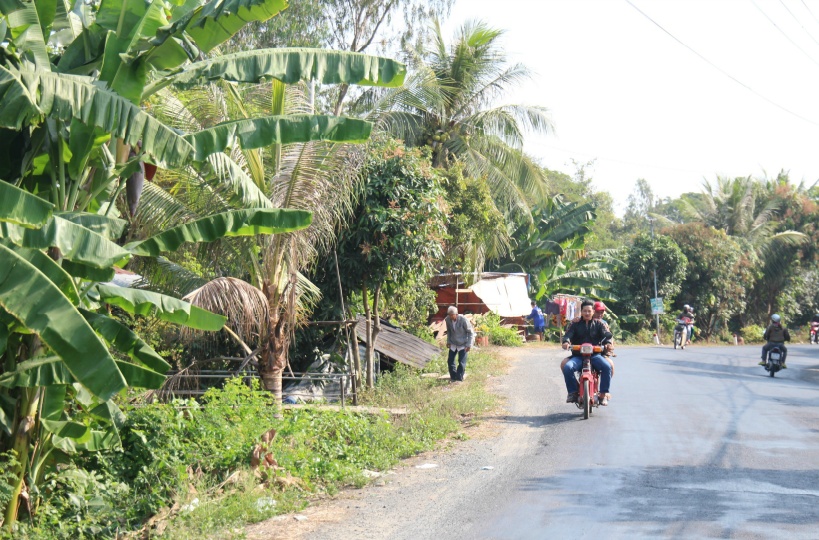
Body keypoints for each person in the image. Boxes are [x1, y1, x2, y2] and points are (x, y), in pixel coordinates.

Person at [561, 300, 614, 405]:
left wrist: (608, 343)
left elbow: (606, 334)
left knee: (607, 367)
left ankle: (603, 394)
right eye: (585, 311)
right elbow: (568, 335)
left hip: (595, 356)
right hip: (578, 356)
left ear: (593, 312)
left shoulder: (599, 324)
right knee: (567, 367)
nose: (587, 313)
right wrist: (566, 341)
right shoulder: (575, 324)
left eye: (589, 311)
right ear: (581, 312)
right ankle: (572, 392)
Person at [445, 306, 475, 382]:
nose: (451, 316)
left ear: (456, 314)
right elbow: (449, 331)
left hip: (463, 343)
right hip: (453, 343)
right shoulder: (448, 320)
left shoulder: (463, 320)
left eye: (452, 315)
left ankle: (459, 378)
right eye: (449, 315)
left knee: (461, 362)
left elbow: (470, 332)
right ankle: (453, 377)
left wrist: (469, 345)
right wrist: (448, 341)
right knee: (450, 361)